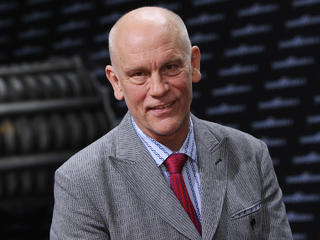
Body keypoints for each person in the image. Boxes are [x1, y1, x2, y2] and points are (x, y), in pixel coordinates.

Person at [50, 6, 292, 240]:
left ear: (194, 64)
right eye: (139, 74)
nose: (158, 89)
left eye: (171, 67)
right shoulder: (79, 182)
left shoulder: (251, 154)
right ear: (116, 82)